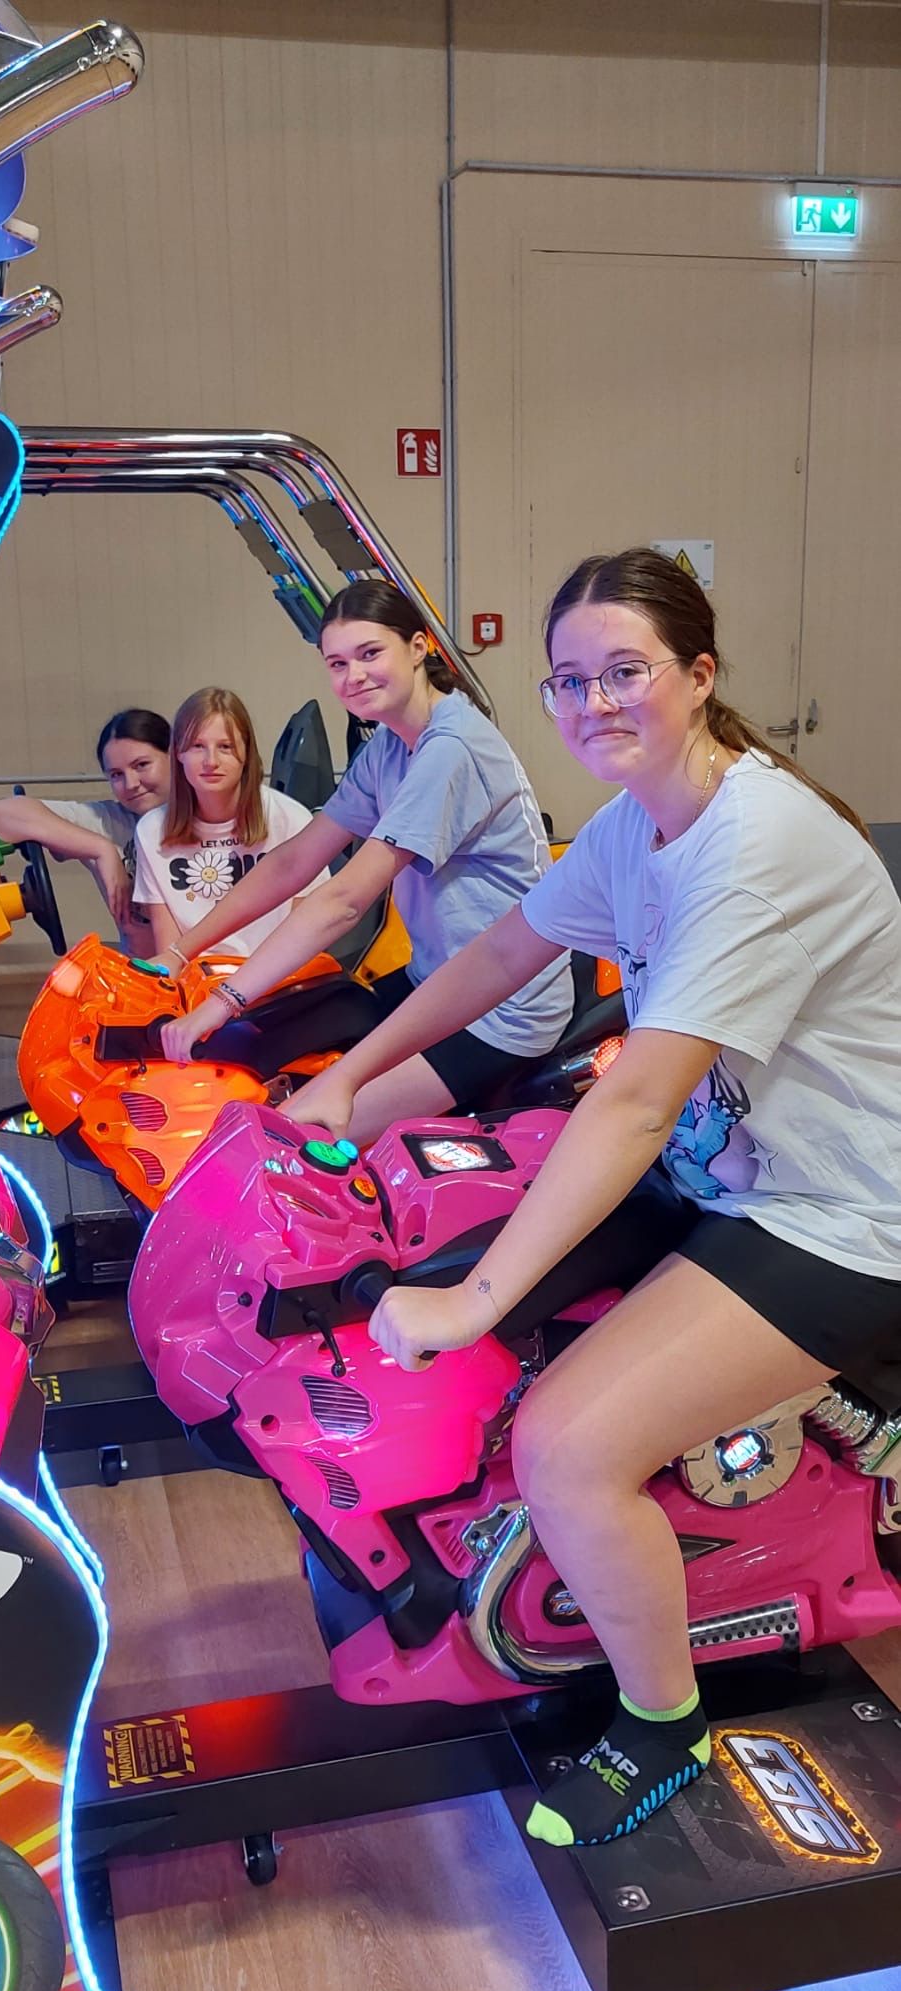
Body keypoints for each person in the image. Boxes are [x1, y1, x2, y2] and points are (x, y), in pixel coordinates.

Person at [289, 547, 901, 1851]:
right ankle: (556, 1582)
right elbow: (506, 950)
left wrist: (475, 1297)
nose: (590, 702)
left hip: (842, 1210)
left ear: (697, 674)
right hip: (721, 1166)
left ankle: (661, 1719)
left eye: (622, 671)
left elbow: (631, 1101)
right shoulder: (635, 824)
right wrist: (346, 1079)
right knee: (450, 1269)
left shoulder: (754, 841)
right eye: (567, 680)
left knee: (562, 1445)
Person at [156, 584, 573, 1141]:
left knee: (287, 1136)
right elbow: (294, 861)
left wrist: (222, 1001)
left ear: (419, 647)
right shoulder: (390, 744)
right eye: (337, 663)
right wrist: (180, 952)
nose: (353, 675)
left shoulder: (451, 748)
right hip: (437, 979)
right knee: (266, 1054)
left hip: (503, 1008)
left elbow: (345, 900)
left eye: (370, 653)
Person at [133, 686, 327, 961]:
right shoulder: (151, 830)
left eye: (225, 747)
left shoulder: (291, 819)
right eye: (197, 746)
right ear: (178, 753)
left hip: (275, 974)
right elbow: (169, 951)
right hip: (195, 975)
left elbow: (306, 935)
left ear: (247, 752)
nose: (211, 761)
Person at [0, 708, 171, 954]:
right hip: (140, 969)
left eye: (142, 765)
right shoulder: (108, 821)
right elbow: (1, 814)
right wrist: (102, 849)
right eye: (116, 775)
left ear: (174, 756)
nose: (131, 784)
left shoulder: (209, 819)